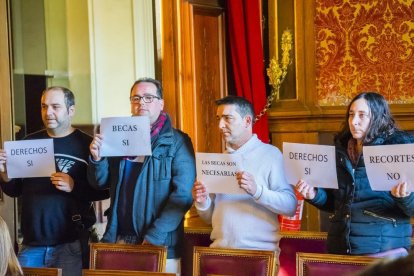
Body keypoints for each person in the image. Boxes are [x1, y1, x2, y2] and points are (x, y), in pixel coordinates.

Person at [88, 77, 196, 275]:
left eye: (148, 97)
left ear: (161, 103)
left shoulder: (178, 142)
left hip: (160, 243)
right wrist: (97, 159)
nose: (141, 103)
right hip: (119, 238)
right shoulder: (117, 137)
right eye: (136, 98)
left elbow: (183, 195)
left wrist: (154, 237)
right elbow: (100, 183)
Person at [0, 87, 109, 276]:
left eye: (55, 106)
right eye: (44, 106)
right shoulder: (28, 143)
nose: (48, 112)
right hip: (30, 244)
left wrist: (74, 186)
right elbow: (15, 190)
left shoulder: (88, 145)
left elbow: (102, 190)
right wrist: (4, 173)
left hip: (69, 244)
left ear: (71, 110)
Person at [295, 92, 414, 258]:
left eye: (362, 115)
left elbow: (411, 208)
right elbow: (336, 203)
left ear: (378, 117)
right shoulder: (341, 152)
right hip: (341, 248)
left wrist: (404, 197)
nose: (354, 121)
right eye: (351, 115)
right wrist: (314, 194)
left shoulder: (398, 150)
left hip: (383, 251)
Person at [192, 96, 297, 256]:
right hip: (219, 252)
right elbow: (209, 218)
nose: (220, 125)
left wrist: (257, 191)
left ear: (247, 121)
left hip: (260, 255)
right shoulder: (219, 159)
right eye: (219, 119)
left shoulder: (271, 154)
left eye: (228, 118)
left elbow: (290, 206)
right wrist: (202, 202)